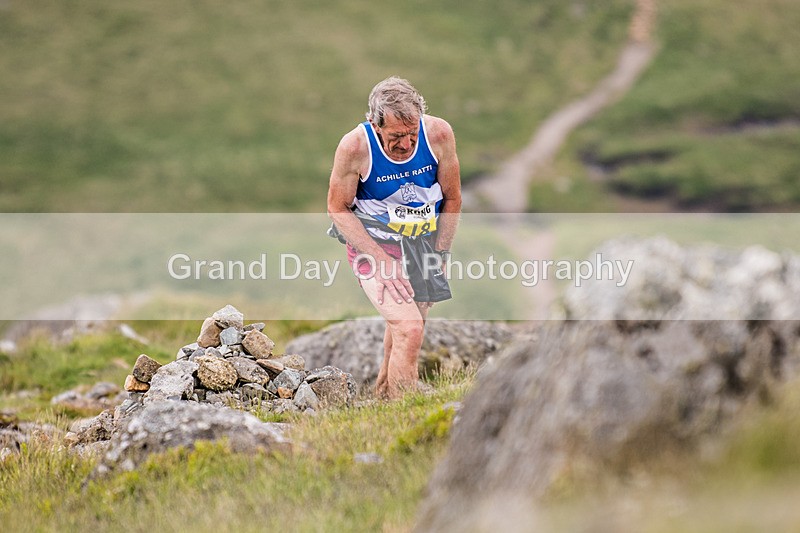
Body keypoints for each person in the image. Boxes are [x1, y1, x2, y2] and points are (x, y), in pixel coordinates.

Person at [327, 76, 461, 399]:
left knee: (407, 329)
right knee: (409, 328)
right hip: (373, 246)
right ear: (375, 125)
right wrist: (381, 259)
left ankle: (383, 397)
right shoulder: (355, 147)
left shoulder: (438, 134)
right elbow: (337, 208)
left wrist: (439, 255)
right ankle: (405, 416)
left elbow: (453, 199)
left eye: (412, 134)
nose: (406, 144)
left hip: (422, 245)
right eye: (396, 136)